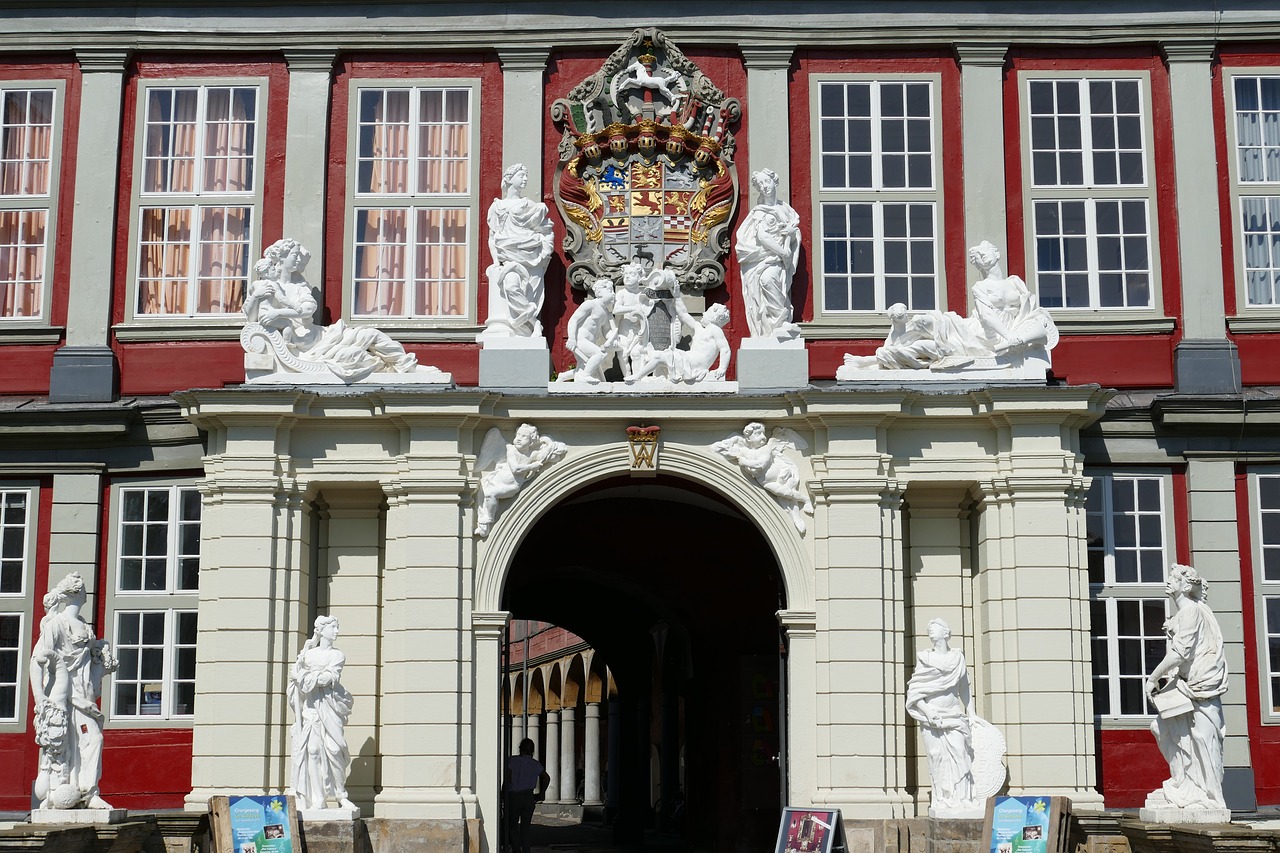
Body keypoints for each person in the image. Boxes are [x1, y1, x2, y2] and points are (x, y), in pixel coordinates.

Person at [1143, 563, 1229, 811]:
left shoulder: (1191, 611)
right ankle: (1183, 782)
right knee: (1159, 728)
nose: (1168, 581)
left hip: (1202, 687)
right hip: (1185, 685)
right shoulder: (1182, 614)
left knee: (1204, 740)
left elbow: (1180, 654)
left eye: (1173, 578)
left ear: (1185, 585)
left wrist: (1152, 678)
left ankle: (1209, 797)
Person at [29, 572, 118, 810]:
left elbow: (88, 665)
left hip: (84, 693)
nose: (87, 592)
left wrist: (103, 665)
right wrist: (40, 700)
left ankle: (88, 793)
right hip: (63, 695)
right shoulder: (56, 624)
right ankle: (61, 792)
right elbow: (37, 662)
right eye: (84, 588)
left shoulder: (85, 628)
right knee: (66, 745)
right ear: (77, 592)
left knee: (92, 739)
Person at [905, 618, 975, 811]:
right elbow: (915, 693)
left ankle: (962, 797)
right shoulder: (925, 658)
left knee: (960, 752)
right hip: (931, 718)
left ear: (946, 632)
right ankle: (943, 797)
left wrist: (972, 713)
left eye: (935, 628)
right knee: (936, 756)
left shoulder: (958, 658)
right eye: (929, 629)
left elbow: (964, 688)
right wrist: (928, 712)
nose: (931, 631)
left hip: (953, 715)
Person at [289, 615, 357, 812]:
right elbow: (297, 682)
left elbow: (327, 679)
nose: (337, 631)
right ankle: (319, 798)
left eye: (337, 627)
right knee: (312, 751)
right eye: (334, 627)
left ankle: (340, 794)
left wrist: (303, 676)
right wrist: (303, 676)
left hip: (330, 708)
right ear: (322, 630)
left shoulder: (337, 656)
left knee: (335, 750)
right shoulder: (308, 655)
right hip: (311, 709)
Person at [484, 163, 555, 337]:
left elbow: (546, 230)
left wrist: (546, 251)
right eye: (521, 176)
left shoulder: (530, 206)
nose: (525, 180)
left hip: (531, 257)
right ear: (509, 179)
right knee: (511, 286)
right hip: (509, 259)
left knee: (530, 294)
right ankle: (534, 322)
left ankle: (527, 329)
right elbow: (493, 237)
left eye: (526, 177)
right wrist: (495, 262)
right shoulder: (497, 207)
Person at [735, 168, 801, 339]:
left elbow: (794, 233)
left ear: (775, 181)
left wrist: (791, 233)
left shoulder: (786, 209)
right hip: (765, 257)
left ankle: (779, 322)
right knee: (767, 279)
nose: (765, 187)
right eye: (761, 184)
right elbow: (763, 237)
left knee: (779, 285)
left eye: (767, 182)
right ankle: (778, 322)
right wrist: (783, 253)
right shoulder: (760, 211)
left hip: (779, 259)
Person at [967, 241, 1056, 358]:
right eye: (977, 256)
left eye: (984, 250)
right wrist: (1008, 335)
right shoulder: (980, 287)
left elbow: (1027, 310)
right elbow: (986, 315)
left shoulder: (1015, 282)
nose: (981, 254)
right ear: (978, 265)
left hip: (1015, 329)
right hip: (989, 334)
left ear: (997, 253)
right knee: (945, 329)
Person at [628, 302, 731, 383]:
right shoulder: (700, 328)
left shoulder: (715, 329)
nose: (703, 313)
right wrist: (676, 295)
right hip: (688, 358)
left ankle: (637, 377)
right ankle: (650, 378)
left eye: (707, 312)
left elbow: (725, 349)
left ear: (715, 317)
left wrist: (722, 368)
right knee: (656, 356)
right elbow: (683, 314)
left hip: (694, 364)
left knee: (658, 357)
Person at [565, 279, 621, 384]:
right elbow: (574, 320)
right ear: (599, 292)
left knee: (583, 365)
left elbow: (606, 331)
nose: (613, 294)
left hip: (590, 342)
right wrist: (572, 338)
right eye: (610, 291)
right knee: (599, 354)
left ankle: (563, 376)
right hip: (580, 339)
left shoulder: (605, 312)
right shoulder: (590, 304)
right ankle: (585, 376)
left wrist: (612, 338)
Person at [504, 738, 550, 853]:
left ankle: (516, 850)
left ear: (520, 748)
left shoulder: (512, 761)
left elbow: (507, 779)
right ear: (532, 750)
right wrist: (542, 792)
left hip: (514, 796)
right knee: (525, 828)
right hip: (529, 797)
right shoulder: (535, 764)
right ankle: (526, 850)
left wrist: (502, 794)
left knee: (513, 827)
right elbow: (547, 777)